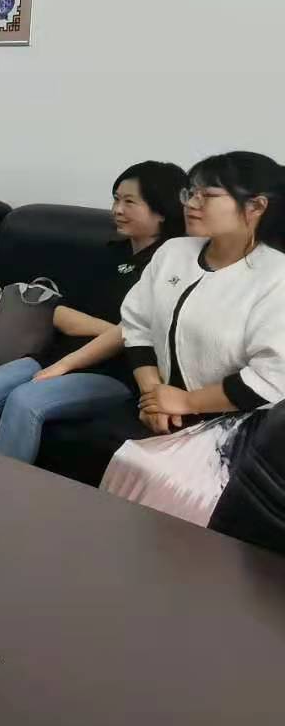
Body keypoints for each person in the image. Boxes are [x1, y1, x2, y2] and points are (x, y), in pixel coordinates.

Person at [0, 161, 188, 463]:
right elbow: (62, 315)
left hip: (114, 373)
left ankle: (3, 487)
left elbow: (141, 335)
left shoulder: (172, 265)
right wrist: (120, 332)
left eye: (129, 202)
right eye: (116, 199)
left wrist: (124, 333)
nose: (117, 209)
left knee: (26, 401)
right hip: (57, 354)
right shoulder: (110, 253)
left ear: (161, 211)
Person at [100, 152, 285, 526]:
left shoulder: (275, 277)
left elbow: (272, 376)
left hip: (240, 424)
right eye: (190, 192)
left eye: (208, 195)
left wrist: (187, 401)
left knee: (157, 477)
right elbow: (137, 325)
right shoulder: (173, 252)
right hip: (164, 403)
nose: (191, 203)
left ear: (256, 206)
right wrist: (154, 395)